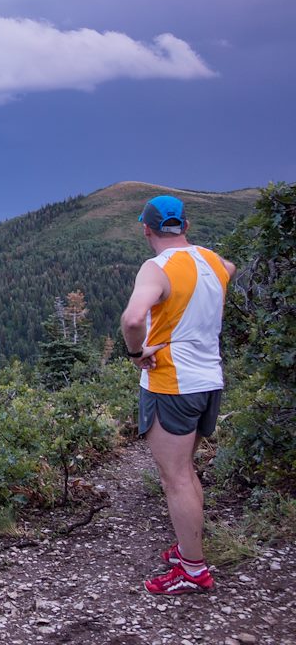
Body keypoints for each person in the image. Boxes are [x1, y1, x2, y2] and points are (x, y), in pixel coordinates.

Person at [121, 195, 235, 595]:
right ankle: (190, 549)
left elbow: (133, 318)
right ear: (185, 226)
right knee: (187, 470)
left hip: (171, 382)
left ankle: (192, 568)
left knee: (176, 478)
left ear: (147, 229)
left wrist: (137, 354)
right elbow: (229, 269)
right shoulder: (212, 261)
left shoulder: (157, 268)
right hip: (209, 379)